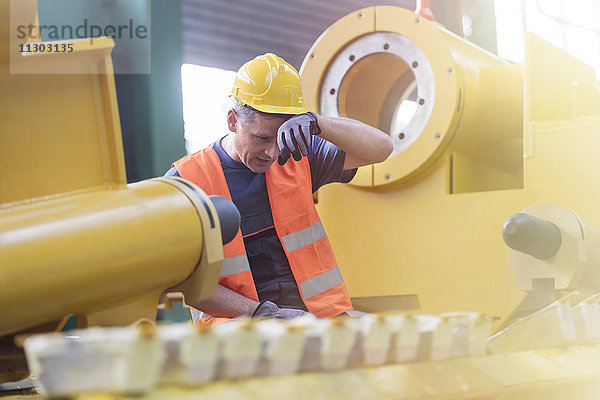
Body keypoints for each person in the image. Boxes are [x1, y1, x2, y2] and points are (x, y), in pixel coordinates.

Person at [166, 53, 392, 324]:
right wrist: (260, 313)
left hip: (317, 318)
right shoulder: (186, 181)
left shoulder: (299, 156)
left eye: (279, 137)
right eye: (262, 138)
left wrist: (318, 123)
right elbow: (176, 277)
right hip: (237, 330)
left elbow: (381, 148)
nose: (272, 152)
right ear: (232, 121)